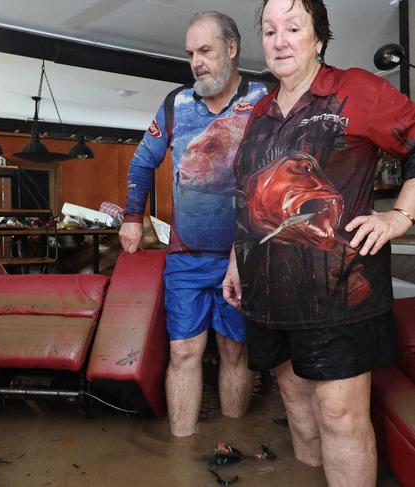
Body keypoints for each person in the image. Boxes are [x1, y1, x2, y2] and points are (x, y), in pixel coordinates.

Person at [223, 0, 415, 485]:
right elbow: (247, 195)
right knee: (294, 402)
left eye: (292, 27)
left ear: (319, 38)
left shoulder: (357, 91)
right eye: (269, 31)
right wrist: (234, 262)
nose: (279, 40)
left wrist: (400, 216)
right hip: (267, 292)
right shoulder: (261, 112)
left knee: (339, 415)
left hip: (340, 293)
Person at [120, 11, 268, 437]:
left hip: (243, 257)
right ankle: (183, 458)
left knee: (234, 352)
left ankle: (230, 446)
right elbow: (142, 162)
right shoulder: (176, 104)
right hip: (185, 257)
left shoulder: (264, 100)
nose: (196, 62)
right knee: (184, 351)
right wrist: (133, 217)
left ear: (233, 48)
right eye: (190, 54)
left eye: (205, 50)